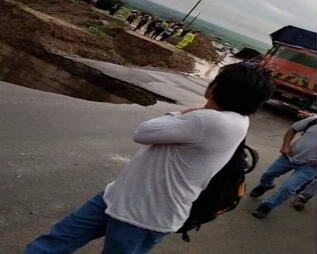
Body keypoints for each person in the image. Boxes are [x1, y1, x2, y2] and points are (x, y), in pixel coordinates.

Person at [24, 63, 276, 254]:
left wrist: (200, 106)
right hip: (119, 198)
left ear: (217, 88)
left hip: (143, 216)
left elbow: (143, 132)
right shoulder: (239, 120)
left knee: (53, 243)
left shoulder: (207, 120)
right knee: (54, 242)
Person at [250, 116, 317, 219]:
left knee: (288, 188)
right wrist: (286, 145)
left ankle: (266, 206)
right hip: (290, 155)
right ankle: (265, 185)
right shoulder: (315, 120)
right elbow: (292, 130)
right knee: (268, 173)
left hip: (310, 167)